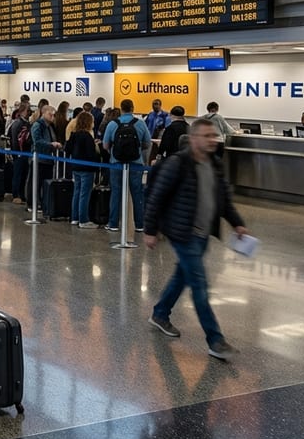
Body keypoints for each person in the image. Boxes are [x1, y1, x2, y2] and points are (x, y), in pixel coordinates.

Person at [144, 118, 248, 361]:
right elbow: (156, 197)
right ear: (193, 139)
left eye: (214, 136)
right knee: (199, 286)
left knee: (183, 276)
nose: (213, 140)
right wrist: (150, 230)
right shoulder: (177, 164)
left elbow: (224, 200)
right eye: (207, 136)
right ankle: (215, 340)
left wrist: (237, 223)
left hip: (203, 233)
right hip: (182, 232)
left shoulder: (216, 164)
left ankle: (160, 313)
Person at [102, 99, 151, 233]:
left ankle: (113, 224)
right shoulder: (140, 123)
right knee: (137, 193)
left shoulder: (113, 124)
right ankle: (140, 225)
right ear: (133, 108)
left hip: (116, 163)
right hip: (136, 163)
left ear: (121, 109)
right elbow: (147, 143)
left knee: (116, 192)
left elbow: (105, 145)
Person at [64, 111, 99, 228]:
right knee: (85, 194)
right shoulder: (88, 136)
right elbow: (91, 154)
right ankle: (83, 219)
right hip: (87, 169)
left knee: (77, 192)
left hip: (76, 167)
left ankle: (75, 217)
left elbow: (67, 149)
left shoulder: (74, 135)